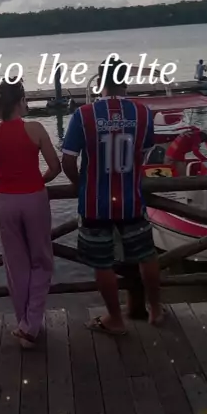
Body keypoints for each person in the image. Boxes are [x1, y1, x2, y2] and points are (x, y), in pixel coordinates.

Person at [61, 57, 163, 335]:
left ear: (100, 81)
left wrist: (80, 184)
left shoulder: (84, 115)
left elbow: (68, 160)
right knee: (147, 255)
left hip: (96, 203)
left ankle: (115, 319)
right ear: (125, 81)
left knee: (102, 263)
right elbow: (144, 154)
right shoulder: (143, 113)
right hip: (131, 200)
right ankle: (155, 310)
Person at [0, 79, 61, 348]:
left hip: (6, 201)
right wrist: (37, 180)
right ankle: (30, 325)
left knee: (15, 264)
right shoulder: (35, 129)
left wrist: (1, 183)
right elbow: (55, 167)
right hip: (34, 198)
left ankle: (25, 323)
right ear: (21, 101)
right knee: (42, 261)